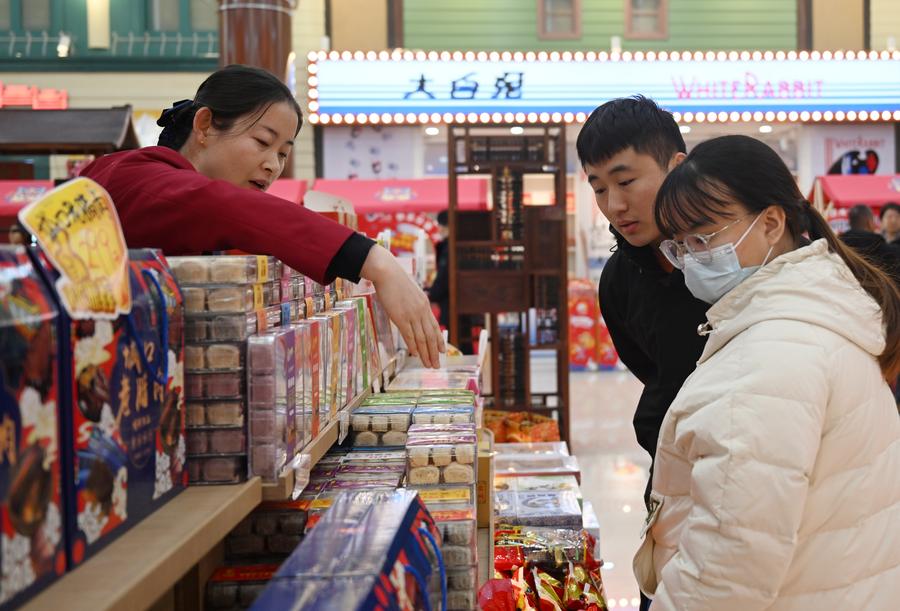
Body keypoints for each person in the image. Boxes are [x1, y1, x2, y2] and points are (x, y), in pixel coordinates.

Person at [636, 135, 900, 610]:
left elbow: (726, 568)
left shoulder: (771, 356)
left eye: (703, 237)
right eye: (680, 246)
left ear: (772, 223)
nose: (692, 259)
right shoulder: (817, 312)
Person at [80, 65, 443, 367]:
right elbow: (222, 205)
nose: (272, 165)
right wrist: (376, 261)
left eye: (283, 153)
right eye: (262, 142)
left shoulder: (146, 177)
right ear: (204, 125)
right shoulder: (140, 176)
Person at [840, 204, 900, 284]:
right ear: (870, 222)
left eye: (897, 217)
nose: (893, 220)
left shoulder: (838, 245)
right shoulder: (877, 245)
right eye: (889, 217)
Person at [428, 210, 450, 329]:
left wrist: (432, 294)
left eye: (440, 225)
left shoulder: (448, 247)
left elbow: (443, 276)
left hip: (451, 303)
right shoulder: (459, 245)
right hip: (464, 301)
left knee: (454, 334)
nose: (439, 229)